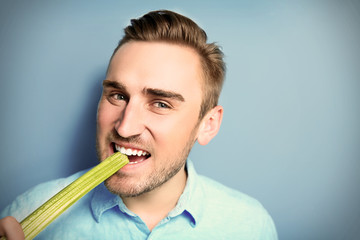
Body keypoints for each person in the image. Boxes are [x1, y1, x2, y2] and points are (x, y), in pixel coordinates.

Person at [0, 10, 278, 239]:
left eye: (160, 103)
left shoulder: (251, 226)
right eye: (118, 96)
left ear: (208, 124)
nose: (124, 128)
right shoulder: (26, 214)